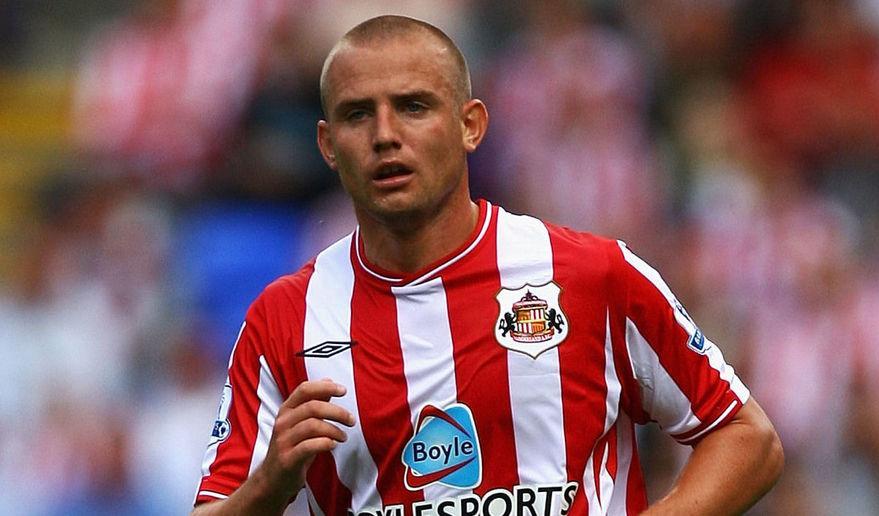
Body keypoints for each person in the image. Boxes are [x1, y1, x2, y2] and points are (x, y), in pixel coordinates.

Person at [192, 15, 783, 516]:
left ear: (470, 125)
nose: (385, 135)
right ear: (327, 144)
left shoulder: (591, 275)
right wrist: (268, 487)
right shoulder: (285, 318)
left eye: (413, 106)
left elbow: (746, 437)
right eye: (357, 115)